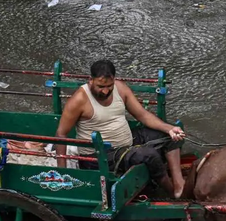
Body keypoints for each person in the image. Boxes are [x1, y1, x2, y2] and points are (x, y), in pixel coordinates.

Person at [54, 60, 187, 198]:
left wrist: (170, 128)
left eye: (109, 86)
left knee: (169, 135)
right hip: (99, 156)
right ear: (90, 80)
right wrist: (62, 173)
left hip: (126, 143)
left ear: (114, 80)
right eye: (100, 86)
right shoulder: (79, 100)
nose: (105, 91)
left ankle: (179, 184)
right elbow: (61, 134)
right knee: (149, 154)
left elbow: (142, 115)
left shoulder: (120, 88)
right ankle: (172, 194)